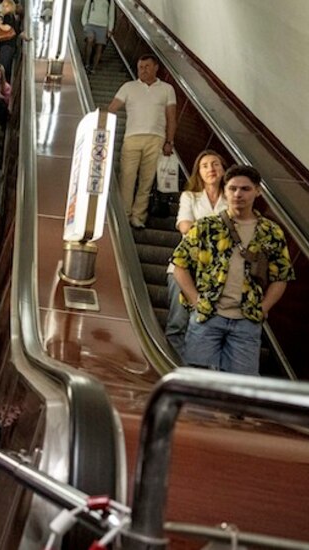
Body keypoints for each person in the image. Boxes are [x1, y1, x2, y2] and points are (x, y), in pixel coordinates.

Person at [171, 165, 295, 375]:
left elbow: (281, 277)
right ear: (225, 191)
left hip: (246, 321)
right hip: (208, 315)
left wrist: (263, 308)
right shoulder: (207, 226)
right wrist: (195, 300)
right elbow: (179, 265)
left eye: (245, 189)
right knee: (196, 382)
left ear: (258, 191)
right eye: (232, 188)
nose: (238, 194)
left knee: (241, 387)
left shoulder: (271, 232)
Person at [164, 150, 228, 356]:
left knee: (207, 327)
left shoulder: (232, 200)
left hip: (218, 274)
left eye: (215, 164)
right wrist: (221, 233)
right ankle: (175, 368)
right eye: (205, 165)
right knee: (178, 323)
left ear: (223, 169)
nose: (211, 169)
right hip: (185, 268)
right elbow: (184, 226)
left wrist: (201, 229)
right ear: (198, 172)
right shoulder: (190, 196)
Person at [107, 54, 177, 229]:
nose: (143, 70)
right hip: (132, 137)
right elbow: (112, 108)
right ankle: (124, 214)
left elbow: (171, 117)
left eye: (147, 66)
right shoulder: (128, 87)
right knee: (127, 177)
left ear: (156, 67)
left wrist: (169, 141)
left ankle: (138, 216)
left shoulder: (167, 89)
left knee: (147, 180)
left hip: (157, 139)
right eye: (140, 67)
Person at [80, 0, 115, 74]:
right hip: (90, 24)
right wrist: (85, 23)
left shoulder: (110, 1)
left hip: (103, 26)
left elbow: (111, 15)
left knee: (99, 47)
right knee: (90, 40)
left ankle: (94, 68)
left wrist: (110, 29)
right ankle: (87, 63)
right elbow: (85, 10)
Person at [0, 0, 21, 83]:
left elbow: (7, 28)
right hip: (9, 45)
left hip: (7, 45)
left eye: (6, 6)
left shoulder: (8, 16)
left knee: (2, 67)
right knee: (6, 68)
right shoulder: (11, 17)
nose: (4, 8)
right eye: (3, 6)